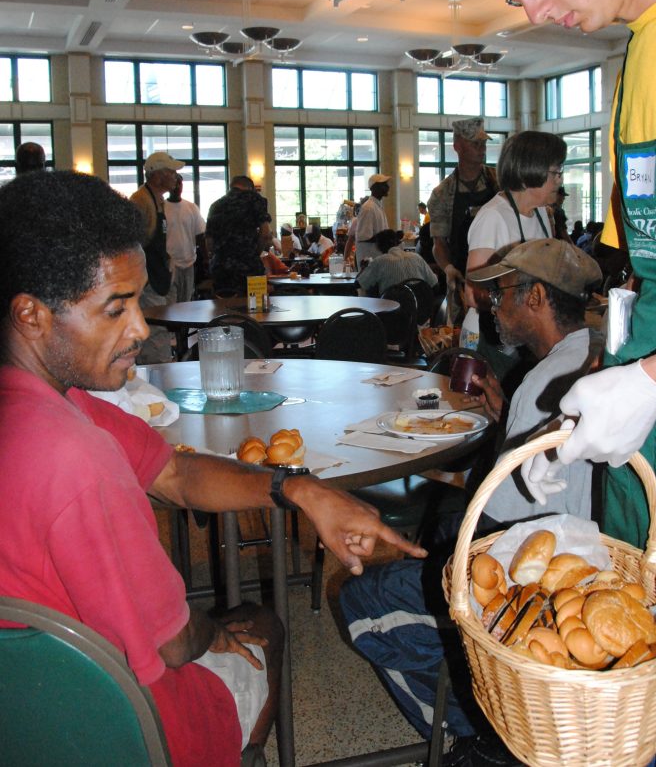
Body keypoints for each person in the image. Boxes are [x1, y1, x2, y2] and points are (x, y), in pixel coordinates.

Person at [0, 169, 426, 767]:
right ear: (31, 315)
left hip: (24, 718)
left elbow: (174, 474)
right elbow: (174, 642)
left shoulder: (56, 405)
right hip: (122, 727)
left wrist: (298, 489)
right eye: (115, 309)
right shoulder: (75, 455)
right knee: (261, 625)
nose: (141, 328)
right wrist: (209, 631)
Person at [463, 0, 656, 762]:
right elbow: (650, 277)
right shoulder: (636, 57)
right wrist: (591, 393)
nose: (537, 7)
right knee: (636, 677)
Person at [340, 239, 603, 763]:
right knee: (440, 532)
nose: (491, 304)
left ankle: (484, 733)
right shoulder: (589, 354)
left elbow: (497, 522)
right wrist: (508, 417)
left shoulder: (545, 381)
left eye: (502, 293)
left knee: (360, 604)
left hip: (534, 582)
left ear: (536, 299)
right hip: (586, 550)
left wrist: (442, 474)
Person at [464, 130, 563, 377]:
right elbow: (472, 293)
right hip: (490, 339)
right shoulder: (494, 217)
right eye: (555, 173)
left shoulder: (541, 213)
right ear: (530, 170)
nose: (560, 181)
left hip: (525, 335)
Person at [427, 118, 499, 325]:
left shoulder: (499, 182)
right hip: (463, 280)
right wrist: (448, 267)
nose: (482, 148)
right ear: (457, 146)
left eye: (483, 143)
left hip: (501, 279)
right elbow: (439, 243)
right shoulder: (442, 194)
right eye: (475, 143)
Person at [129, 151, 183, 363]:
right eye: (171, 172)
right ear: (157, 175)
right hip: (148, 282)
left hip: (158, 277)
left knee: (160, 332)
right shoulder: (141, 201)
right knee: (154, 336)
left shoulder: (158, 200)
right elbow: (134, 246)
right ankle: (159, 382)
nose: (175, 178)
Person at [206, 180, 271, 295]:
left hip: (221, 268)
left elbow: (209, 242)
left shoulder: (216, 205)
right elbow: (265, 234)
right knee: (256, 308)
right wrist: (255, 253)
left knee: (222, 308)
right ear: (250, 189)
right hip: (249, 267)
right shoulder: (255, 200)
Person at [164, 173, 207, 304]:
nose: (177, 187)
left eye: (179, 184)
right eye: (174, 183)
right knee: (171, 301)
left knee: (186, 300)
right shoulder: (163, 207)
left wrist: (206, 258)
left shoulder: (191, 207)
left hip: (188, 261)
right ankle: (172, 325)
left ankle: (183, 325)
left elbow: (200, 235)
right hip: (170, 263)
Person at [356, 228, 439, 296]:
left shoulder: (379, 261)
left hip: (393, 312)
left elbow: (359, 284)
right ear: (397, 242)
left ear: (378, 247)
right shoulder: (416, 257)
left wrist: (363, 268)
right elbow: (434, 285)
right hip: (421, 311)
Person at [355, 174, 391, 265]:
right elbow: (363, 237)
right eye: (384, 184)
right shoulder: (369, 208)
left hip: (377, 257)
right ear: (375, 188)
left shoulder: (376, 206)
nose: (388, 187)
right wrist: (386, 237)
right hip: (369, 259)